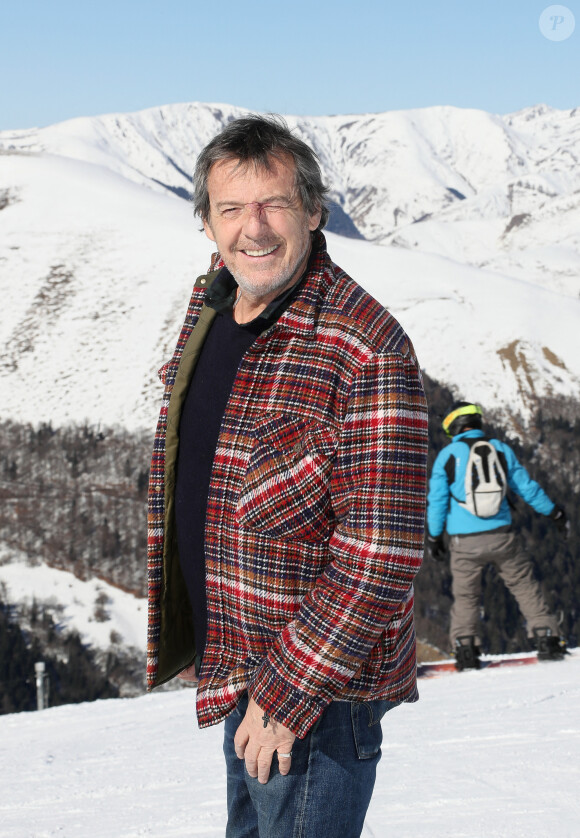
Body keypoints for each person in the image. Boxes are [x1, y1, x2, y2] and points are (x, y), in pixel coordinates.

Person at [146, 114, 428, 837]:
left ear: (313, 210)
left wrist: (287, 694)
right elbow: (200, 469)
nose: (255, 228)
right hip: (243, 665)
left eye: (274, 203)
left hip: (317, 696)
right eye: (232, 209)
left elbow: (381, 553)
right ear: (207, 222)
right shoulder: (213, 306)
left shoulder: (364, 346)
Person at [426, 401, 568, 670]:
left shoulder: (448, 456)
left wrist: (434, 538)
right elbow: (527, 488)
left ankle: (466, 649)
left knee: (466, 597)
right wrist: (555, 513)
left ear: (453, 427)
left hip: (464, 543)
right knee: (524, 586)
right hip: (503, 536)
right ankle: (547, 637)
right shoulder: (500, 449)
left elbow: (437, 501)